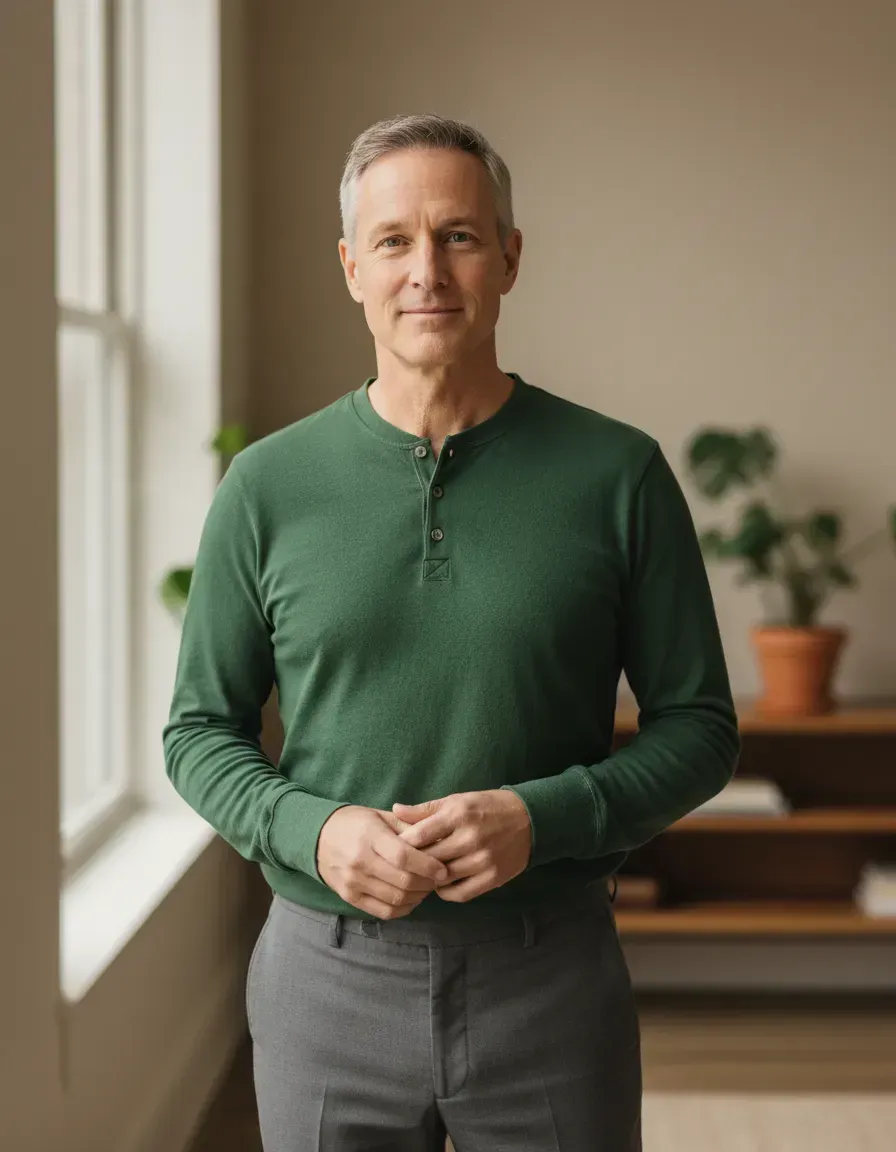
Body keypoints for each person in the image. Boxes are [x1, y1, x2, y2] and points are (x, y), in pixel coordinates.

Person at [162, 112, 741, 1151]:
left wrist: (546, 817)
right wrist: (314, 830)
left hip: (551, 978)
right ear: (351, 266)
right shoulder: (265, 489)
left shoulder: (619, 476)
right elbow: (198, 731)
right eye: (393, 241)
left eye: (458, 236)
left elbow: (698, 728)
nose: (424, 270)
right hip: (322, 981)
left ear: (508, 258)